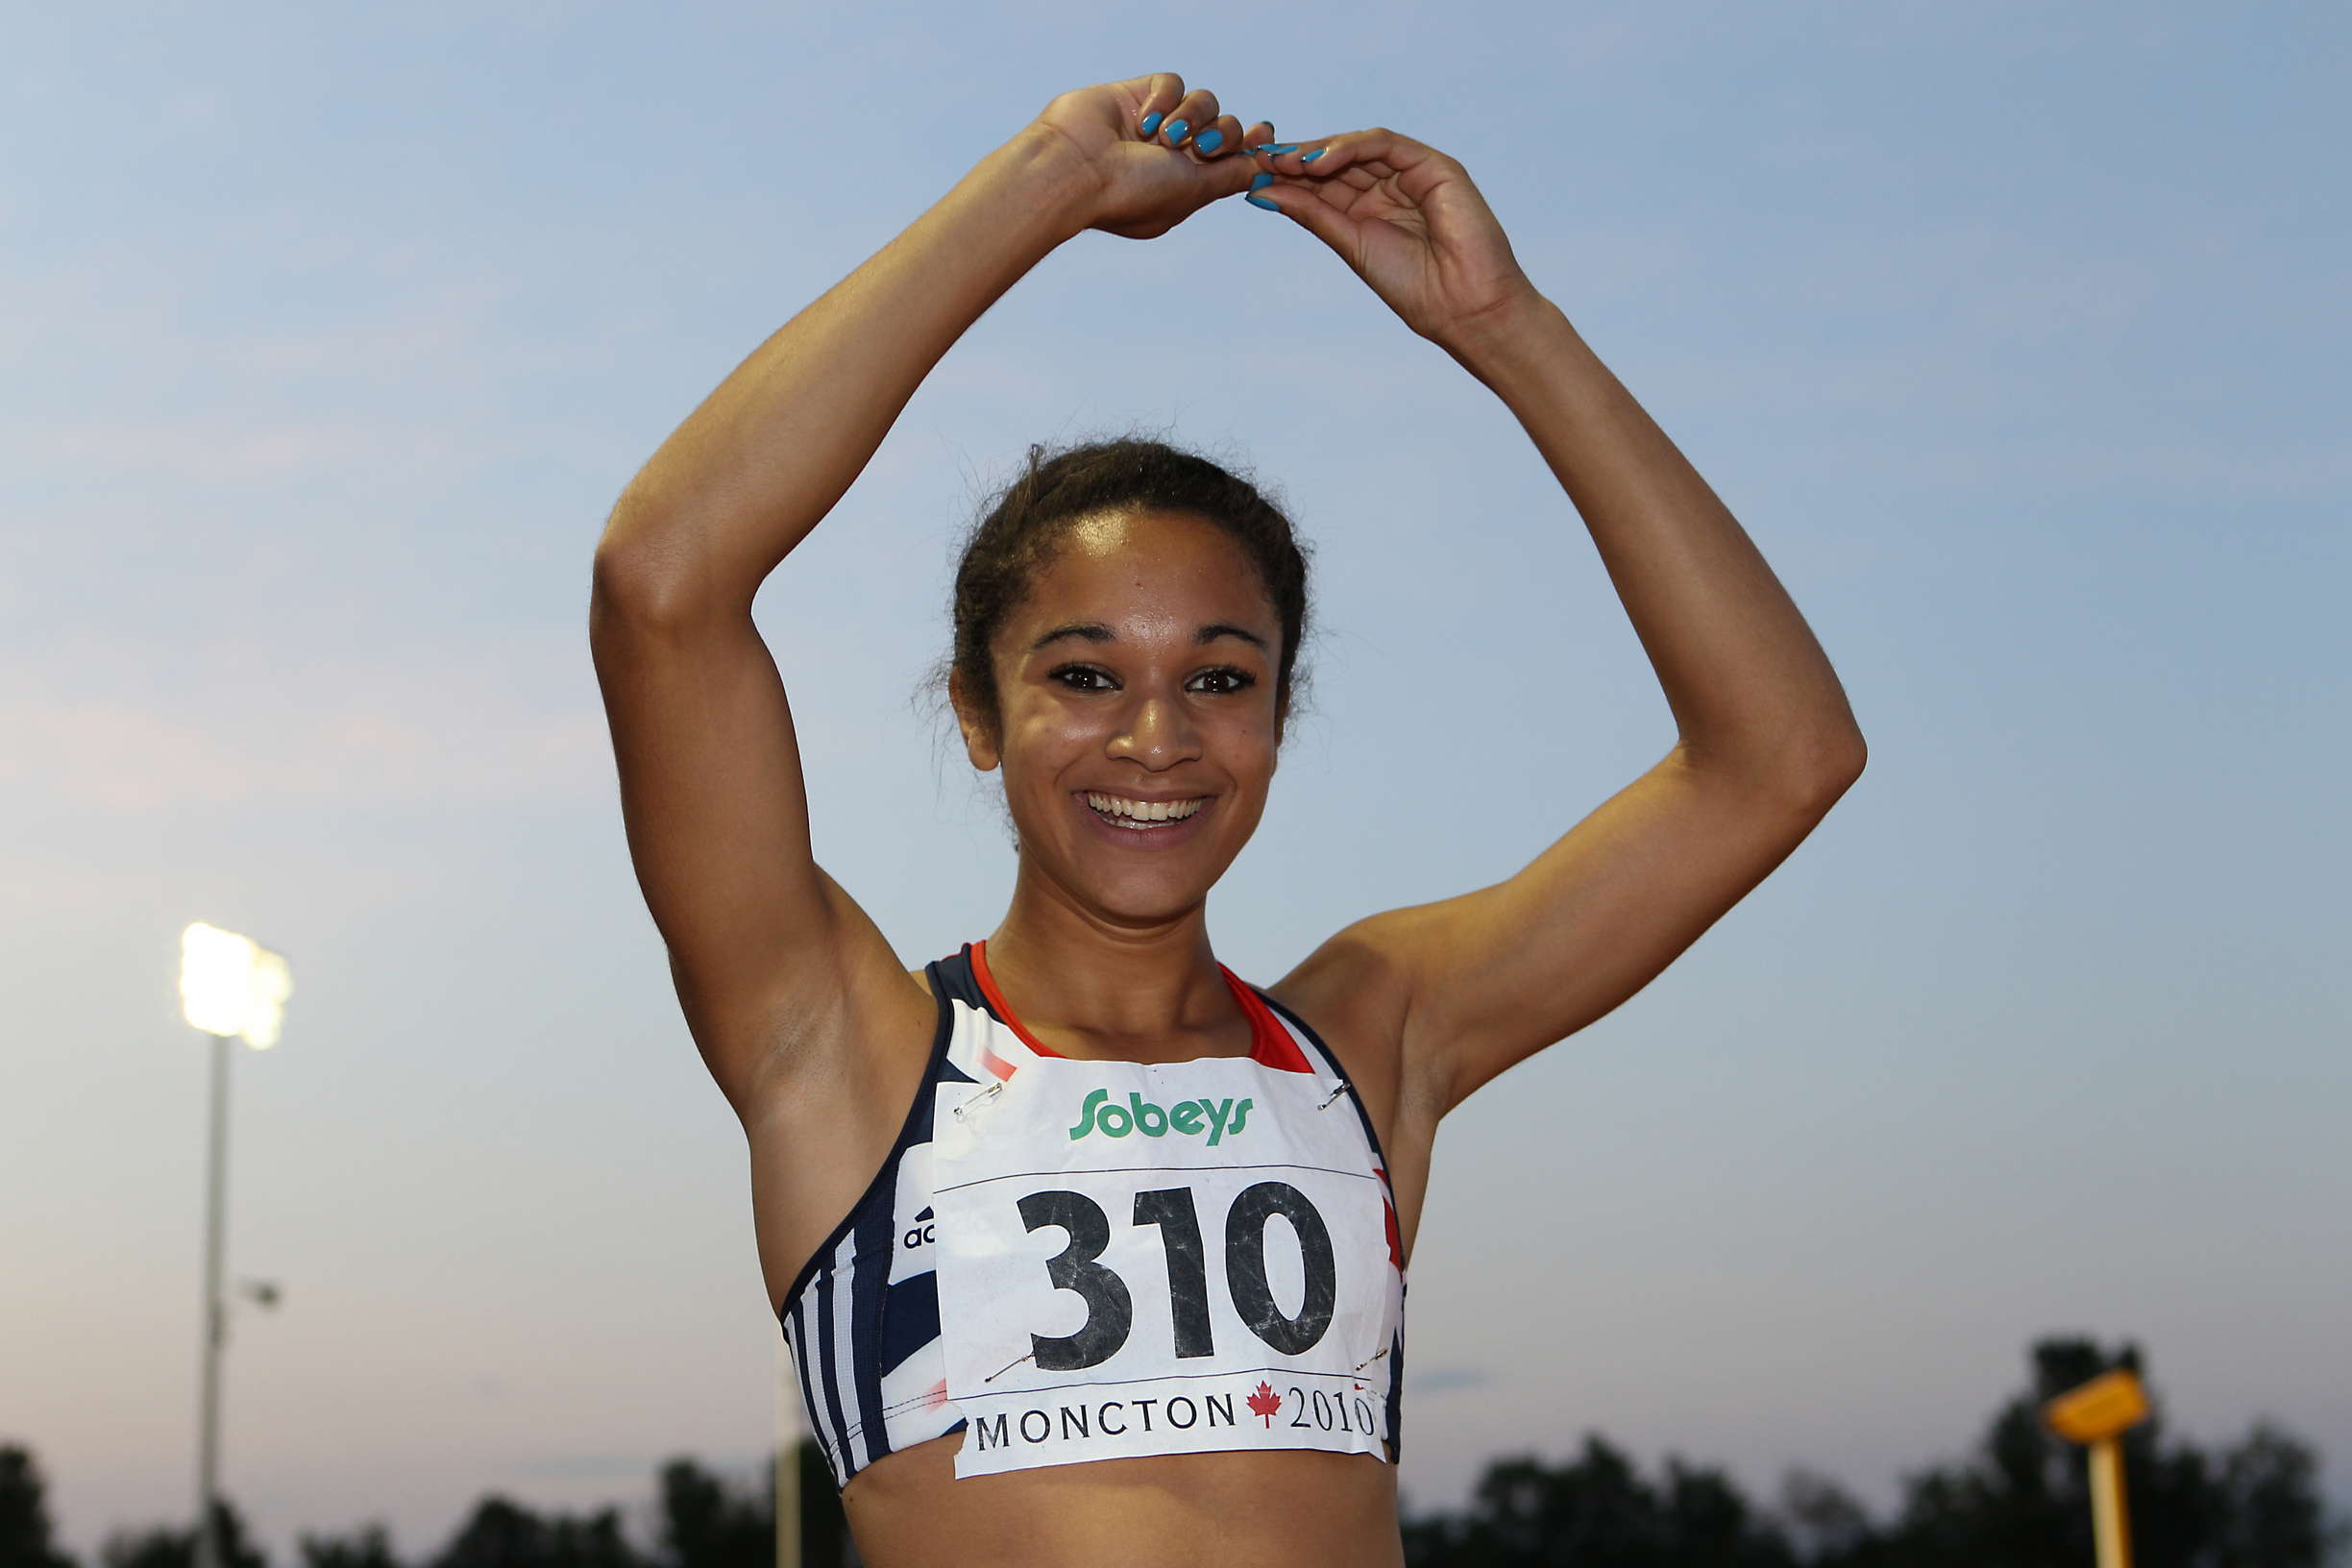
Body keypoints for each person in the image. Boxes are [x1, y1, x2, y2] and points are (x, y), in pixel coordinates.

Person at [589, 69, 1864, 1568]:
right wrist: (1047, 184)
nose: (1158, 737)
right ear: (976, 714)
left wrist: (1502, 326)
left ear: (1277, 714)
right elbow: (662, 582)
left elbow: (1782, 757)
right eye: (1083, 675)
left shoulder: (1373, 1035)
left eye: (1219, 677)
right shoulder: (840, 1044)